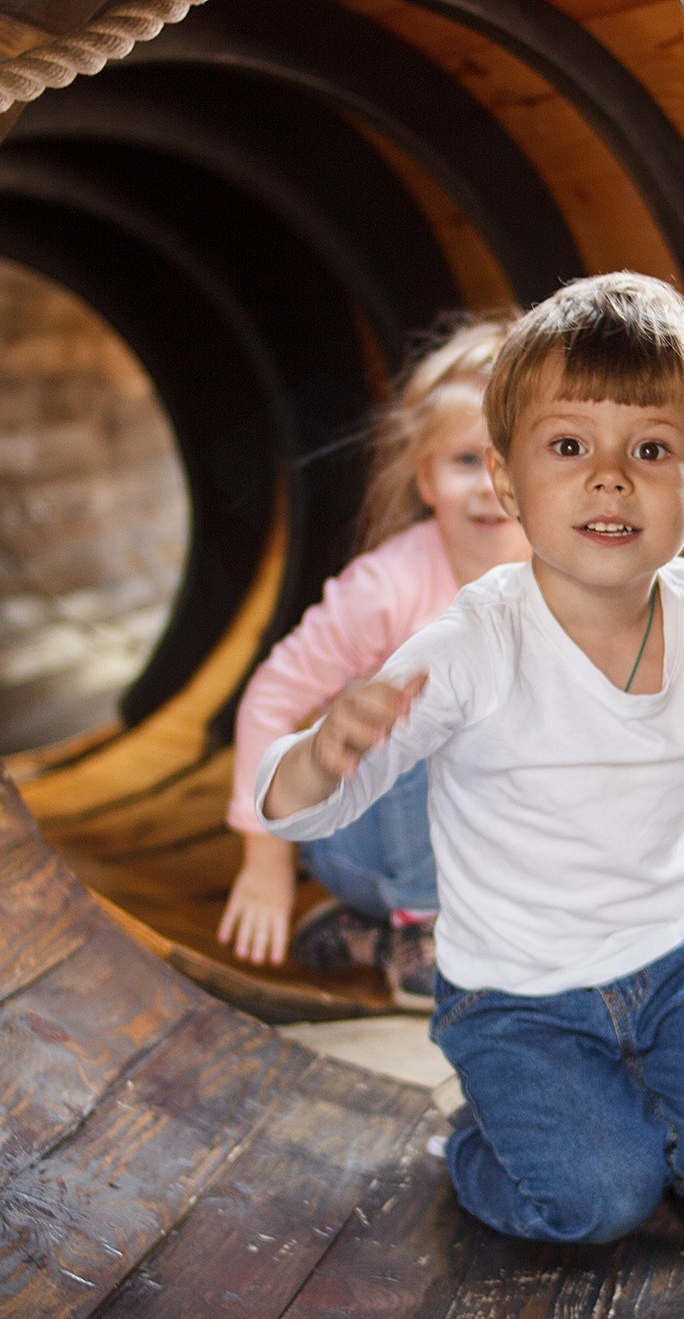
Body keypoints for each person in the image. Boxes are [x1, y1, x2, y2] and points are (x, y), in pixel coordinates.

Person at [255, 272, 684, 1244]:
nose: (610, 478)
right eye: (568, 446)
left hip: (679, 962)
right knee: (595, 1200)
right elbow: (296, 811)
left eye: (651, 449)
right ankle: (483, 1141)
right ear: (511, 484)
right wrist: (325, 753)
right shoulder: (474, 635)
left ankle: (622, 1104)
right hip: (514, 995)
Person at [218, 316, 529, 1008]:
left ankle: (371, 936)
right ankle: (418, 928)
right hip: (366, 840)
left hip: (494, 845)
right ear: (425, 477)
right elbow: (271, 696)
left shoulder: (565, 578)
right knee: (432, 702)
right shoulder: (387, 589)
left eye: (512, 459)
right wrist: (265, 864)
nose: (490, 485)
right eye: (465, 461)